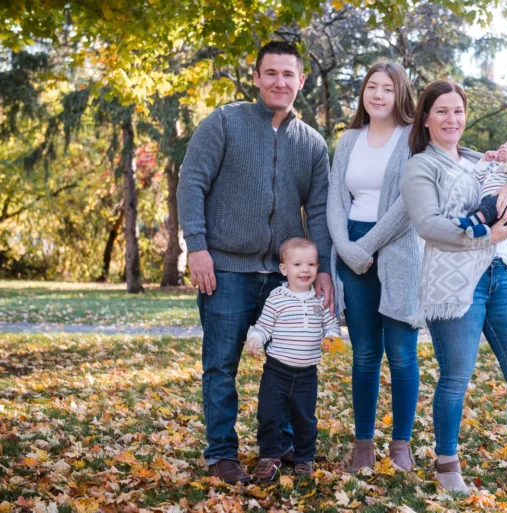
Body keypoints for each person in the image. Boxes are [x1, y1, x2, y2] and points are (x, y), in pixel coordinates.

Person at [177, 41, 334, 485]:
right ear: (257, 78)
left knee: (288, 365)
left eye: (289, 74)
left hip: (286, 278)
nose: (280, 82)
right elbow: (192, 183)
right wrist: (198, 246)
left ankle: (281, 446)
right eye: (271, 73)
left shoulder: (312, 144)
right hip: (225, 268)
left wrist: (320, 270)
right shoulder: (224, 122)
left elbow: (319, 210)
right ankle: (222, 453)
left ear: (301, 81)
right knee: (221, 365)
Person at [400, 80, 507, 494]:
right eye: (442, 111)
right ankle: (447, 466)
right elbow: (428, 225)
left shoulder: (479, 159)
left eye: (458, 111)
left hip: (505, 278)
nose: (452, 119)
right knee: (455, 379)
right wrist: (488, 237)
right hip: (454, 284)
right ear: (426, 118)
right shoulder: (420, 166)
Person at [326, 62, 422, 472]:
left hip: (398, 250)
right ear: (363, 93)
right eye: (371, 87)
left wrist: (365, 246)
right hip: (351, 248)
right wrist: (347, 248)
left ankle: (401, 445)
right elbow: (334, 198)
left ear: (400, 94)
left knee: (402, 353)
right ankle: (363, 445)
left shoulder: (413, 138)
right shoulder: (348, 139)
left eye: (387, 88)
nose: (378, 94)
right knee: (365, 353)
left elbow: (410, 202)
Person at [244, 238, 341, 482]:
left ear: (318, 267)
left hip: (307, 373)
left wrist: (331, 337)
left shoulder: (319, 299)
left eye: (311, 264)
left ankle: (304, 459)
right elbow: (264, 326)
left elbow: (331, 325)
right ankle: (269, 457)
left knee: (305, 418)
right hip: (277, 371)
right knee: (269, 415)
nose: (305, 270)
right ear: (284, 269)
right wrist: (255, 338)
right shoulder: (277, 297)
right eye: (297, 264)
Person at [452, 139, 507, 238]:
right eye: (503, 144)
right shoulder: (496, 168)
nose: (503, 146)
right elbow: (476, 177)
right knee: (484, 208)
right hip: (492, 206)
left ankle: (471, 221)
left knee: (489, 206)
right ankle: (481, 230)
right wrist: (485, 161)